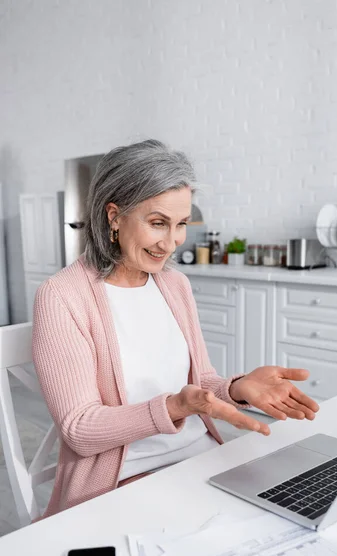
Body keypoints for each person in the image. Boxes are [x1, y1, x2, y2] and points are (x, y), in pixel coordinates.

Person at [32, 139, 319, 518]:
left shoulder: (174, 285)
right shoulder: (62, 296)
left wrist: (235, 388)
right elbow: (80, 429)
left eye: (181, 224)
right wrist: (173, 406)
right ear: (114, 217)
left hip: (201, 462)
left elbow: (201, 381)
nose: (171, 242)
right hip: (122, 482)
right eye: (157, 224)